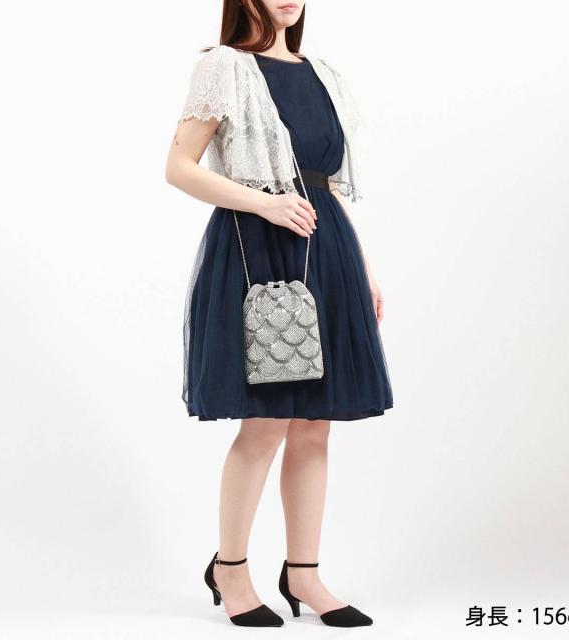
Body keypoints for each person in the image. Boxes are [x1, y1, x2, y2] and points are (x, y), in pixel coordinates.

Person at [165, 0, 393, 628]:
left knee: (316, 424)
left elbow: (325, 185)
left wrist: (362, 267)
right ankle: (232, 570)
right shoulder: (224, 67)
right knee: (266, 422)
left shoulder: (322, 73)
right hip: (257, 249)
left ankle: (304, 574)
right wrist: (264, 204)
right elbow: (178, 168)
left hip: (326, 248)